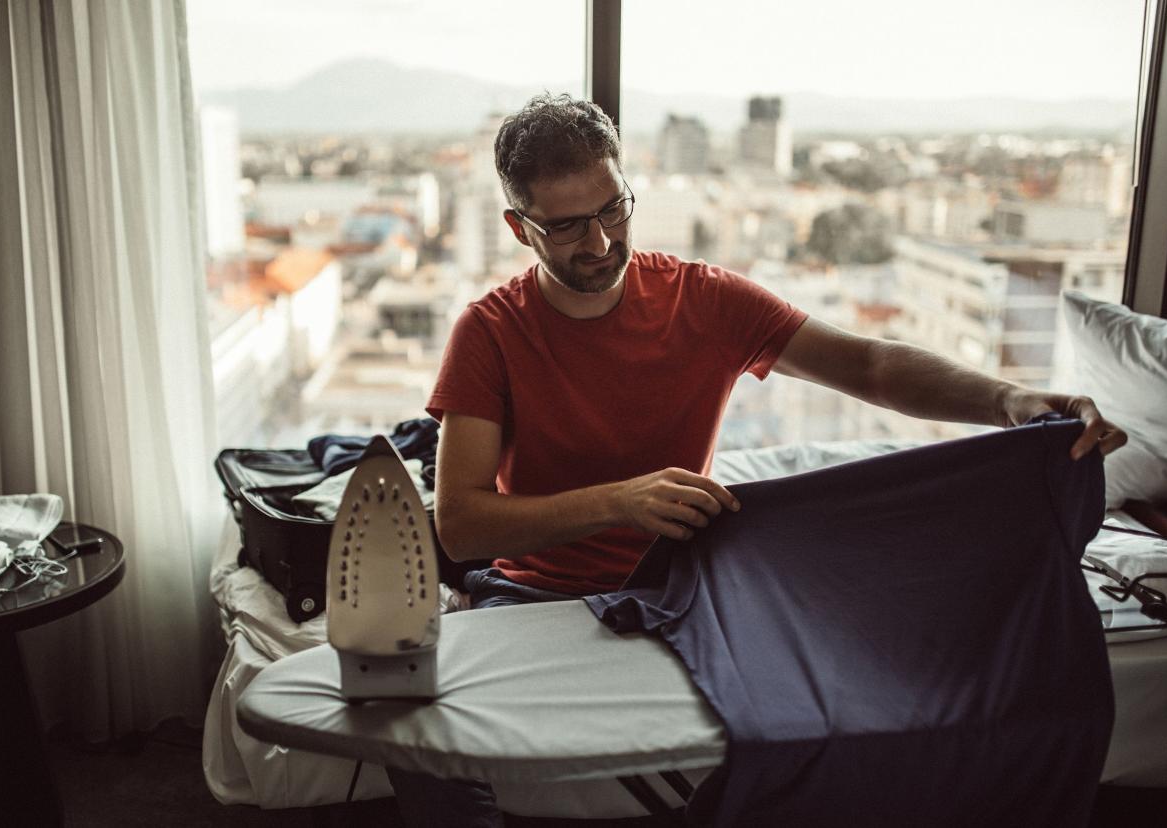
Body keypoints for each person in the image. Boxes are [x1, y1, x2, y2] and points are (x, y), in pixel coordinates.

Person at [386, 93, 1128, 826]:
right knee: (413, 732)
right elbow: (461, 525)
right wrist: (618, 501)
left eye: (614, 209)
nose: (603, 242)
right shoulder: (488, 332)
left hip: (690, 586)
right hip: (537, 595)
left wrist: (1009, 402)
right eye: (570, 226)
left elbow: (869, 365)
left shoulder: (702, 300)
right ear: (520, 228)